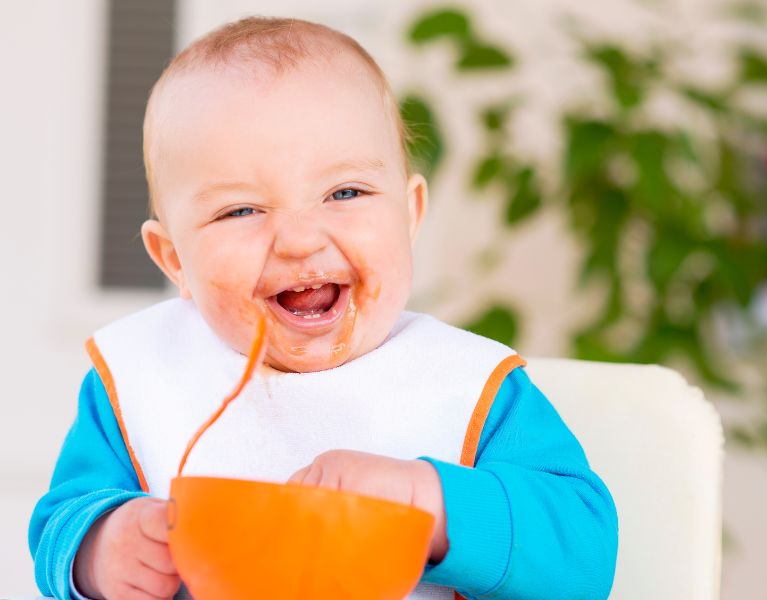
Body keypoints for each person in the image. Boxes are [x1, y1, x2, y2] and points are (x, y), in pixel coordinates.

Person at [29, 16, 618, 600]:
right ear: (174, 259)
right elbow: (59, 522)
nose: (299, 240)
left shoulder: (469, 388)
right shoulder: (140, 378)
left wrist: (430, 503)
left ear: (409, 215)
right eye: (240, 210)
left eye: (345, 193)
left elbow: (584, 558)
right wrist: (99, 548)